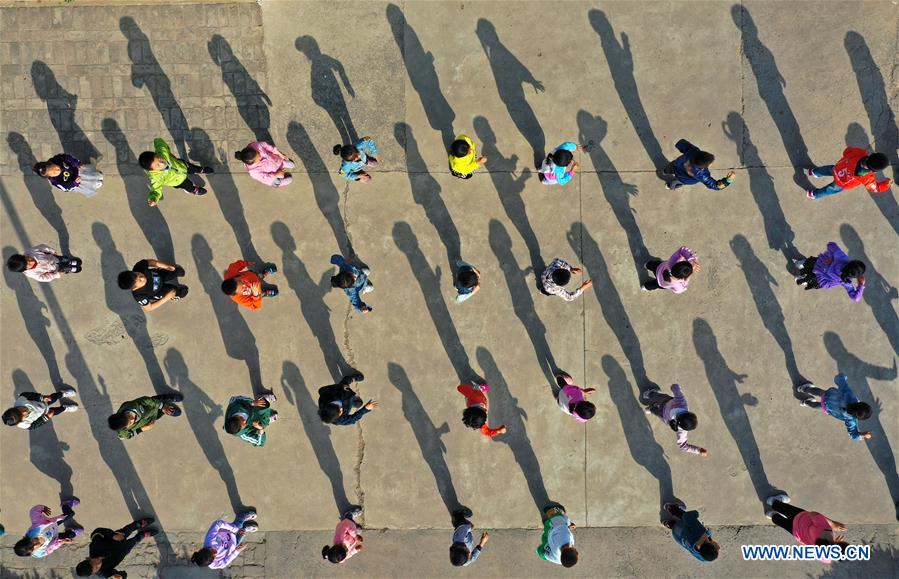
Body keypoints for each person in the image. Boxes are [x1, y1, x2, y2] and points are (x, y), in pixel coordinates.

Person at [765, 493, 849, 562]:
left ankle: (772, 501)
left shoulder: (826, 529)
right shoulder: (825, 558)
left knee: (785, 509)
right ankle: (771, 515)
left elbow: (813, 514)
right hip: (797, 533)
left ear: (842, 543)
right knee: (782, 523)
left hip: (800, 518)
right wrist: (833, 542)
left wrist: (833, 524)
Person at [138, 137, 212, 207]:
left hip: (182, 165)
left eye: (159, 158)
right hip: (179, 181)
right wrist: (153, 198)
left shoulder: (162, 153)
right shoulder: (156, 178)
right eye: (158, 165)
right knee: (188, 185)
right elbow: (156, 190)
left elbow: (160, 143)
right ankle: (193, 190)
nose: (162, 163)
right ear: (152, 170)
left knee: (192, 167)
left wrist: (158, 141)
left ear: (157, 154)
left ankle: (200, 170)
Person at [75, 517, 158, 577]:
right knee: (135, 541)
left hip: (117, 538)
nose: (98, 564)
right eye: (96, 568)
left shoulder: (95, 547)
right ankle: (142, 535)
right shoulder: (103, 573)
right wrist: (119, 576)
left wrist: (112, 535)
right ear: (93, 573)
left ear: (89, 559)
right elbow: (123, 574)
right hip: (123, 551)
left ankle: (139, 524)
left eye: (94, 563)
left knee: (129, 529)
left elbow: (97, 532)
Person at [639, 383, 707, 456]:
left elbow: (675, 387)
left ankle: (648, 394)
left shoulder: (682, 403)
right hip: (664, 416)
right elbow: (683, 446)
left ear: (688, 412)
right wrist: (698, 450)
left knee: (657, 396)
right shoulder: (682, 431)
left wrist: (674, 387)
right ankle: (651, 409)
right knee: (656, 412)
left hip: (665, 401)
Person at [798, 374, 872, 440]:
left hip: (827, 395)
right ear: (857, 417)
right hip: (827, 408)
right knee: (818, 405)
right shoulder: (851, 420)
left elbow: (839, 380)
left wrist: (843, 377)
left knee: (817, 391)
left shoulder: (851, 396)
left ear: (861, 403)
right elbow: (854, 435)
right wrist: (863, 435)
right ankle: (806, 402)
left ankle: (803, 388)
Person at [793, 242, 865, 302]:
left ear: (852, 262)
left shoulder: (842, 257)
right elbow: (856, 298)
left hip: (817, 264)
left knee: (810, 263)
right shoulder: (846, 281)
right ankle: (802, 279)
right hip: (820, 280)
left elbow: (831, 244)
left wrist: (833, 260)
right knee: (811, 280)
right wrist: (861, 285)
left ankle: (800, 264)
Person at [806, 149, 891, 199]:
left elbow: (847, 150)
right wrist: (886, 184)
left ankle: (813, 172)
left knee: (827, 169)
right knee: (829, 190)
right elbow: (875, 188)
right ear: (875, 170)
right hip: (842, 183)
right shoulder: (867, 177)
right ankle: (813, 194)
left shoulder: (860, 153)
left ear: (871, 154)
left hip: (837, 169)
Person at [14, 499, 83, 558]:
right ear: (32, 553)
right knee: (71, 535)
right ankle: (71, 531)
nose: (36, 544)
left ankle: (65, 505)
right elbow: (51, 548)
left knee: (70, 514)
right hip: (54, 537)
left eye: (32, 542)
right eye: (33, 548)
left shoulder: (36, 529)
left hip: (52, 524)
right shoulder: (39, 553)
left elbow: (33, 512)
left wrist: (42, 508)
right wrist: (62, 542)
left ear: (26, 538)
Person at [191, 511, 258, 569]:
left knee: (238, 525)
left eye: (211, 550)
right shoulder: (214, 565)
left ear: (205, 548)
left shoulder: (209, 540)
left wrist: (234, 529)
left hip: (229, 530)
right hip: (233, 545)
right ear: (211, 562)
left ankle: (242, 517)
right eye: (214, 557)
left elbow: (217, 524)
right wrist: (237, 551)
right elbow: (225, 562)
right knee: (242, 534)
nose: (215, 553)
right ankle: (245, 527)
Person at [660, 139, 735, 191]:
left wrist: (682, 146)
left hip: (676, 166)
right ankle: (670, 186)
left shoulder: (693, 151)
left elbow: (681, 144)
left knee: (668, 168)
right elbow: (716, 185)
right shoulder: (702, 174)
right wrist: (728, 180)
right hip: (684, 179)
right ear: (704, 167)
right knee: (677, 182)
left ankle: (664, 172)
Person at [117, 259, 188, 312]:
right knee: (178, 292)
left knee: (178, 271)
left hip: (159, 275)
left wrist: (166, 266)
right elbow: (149, 308)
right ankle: (176, 294)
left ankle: (175, 272)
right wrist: (166, 298)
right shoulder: (139, 296)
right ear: (134, 288)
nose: (142, 277)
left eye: (138, 274)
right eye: (140, 280)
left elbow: (150, 262)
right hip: (158, 291)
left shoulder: (138, 267)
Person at [108, 393, 184, 440]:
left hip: (149, 407)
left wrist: (162, 406)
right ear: (124, 428)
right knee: (157, 415)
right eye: (129, 422)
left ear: (122, 413)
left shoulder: (132, 406)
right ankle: (164, 410)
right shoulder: (122, 433)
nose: (132, 419)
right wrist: (142, 429)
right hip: (148, 420)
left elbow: (146, 400)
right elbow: (128, 436)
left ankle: (165, 399)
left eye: (128, 416)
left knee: (154, 400)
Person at [3, 386, 78, 430]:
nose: (25, 412)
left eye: (21, 409)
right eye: (23, 416)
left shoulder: (21, 401)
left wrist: (41, 397)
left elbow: (28, 395)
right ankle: (64, 408)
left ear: (15, 407)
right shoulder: (23, 425)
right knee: (54, 412)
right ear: (19, 422)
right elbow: (34, 426)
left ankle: (62, 393)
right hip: (44, 414)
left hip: (42, 402)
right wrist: (46, 418)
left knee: (53, 397)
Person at [33, 153, 104, 197]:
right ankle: (94, 184)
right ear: (50, 177)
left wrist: (77, 163)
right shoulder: (55, 181)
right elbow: (66, 188)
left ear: (52, 163)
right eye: (54, 173)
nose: (57, 170)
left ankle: (96, 174)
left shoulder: (57, 159)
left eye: (55, 167)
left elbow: (67, 157)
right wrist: (75, 183)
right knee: (87, 182)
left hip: (78, 170)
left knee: (88, 174)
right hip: (76, 181)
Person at [7, 244, 82, 282]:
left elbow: (42, 247)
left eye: (27, 258)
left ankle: (70, 261)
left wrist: (51, 251)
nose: (31, 261)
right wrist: (56, 275)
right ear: (24, 269)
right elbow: (43, 278)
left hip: (54, 258)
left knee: (64, 259)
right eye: (28, 264)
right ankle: (70, 268)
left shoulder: (31, 252)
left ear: (23, 256)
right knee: (63, 269)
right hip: (54, 269)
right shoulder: (31, 273)